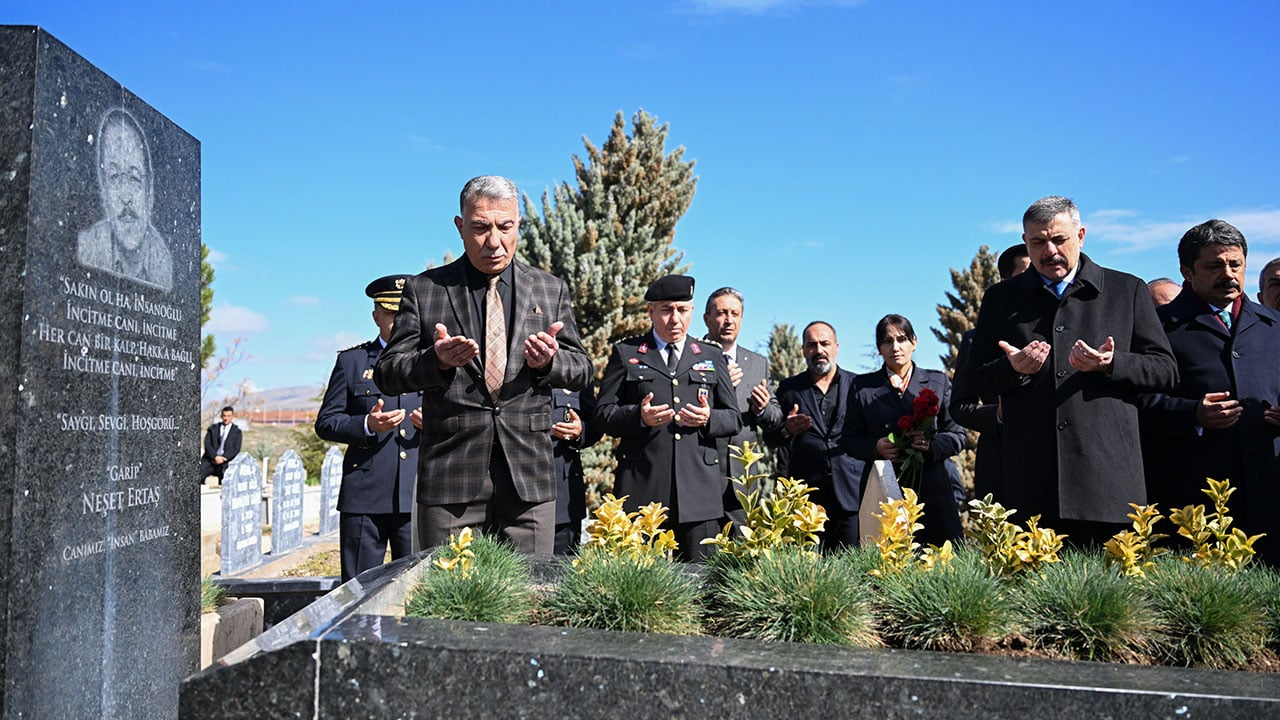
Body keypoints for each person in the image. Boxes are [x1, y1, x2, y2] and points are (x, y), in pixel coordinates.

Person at [374, 176, 592, 556]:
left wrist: (550, 363)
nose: (494, 241)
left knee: (530, 600)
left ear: (518, 224)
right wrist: (435, 361)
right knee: (447, 603)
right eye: (480, 228)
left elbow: (582, 369)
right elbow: (388, 373)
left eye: (505, 227)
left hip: (529, 477)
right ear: (460, 227)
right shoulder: (426, 290)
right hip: (450, 478)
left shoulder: (549, 289)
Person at [967, 196, 1177, 545]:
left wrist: (1112, 364)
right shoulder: (1001, 299)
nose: (1049, 251)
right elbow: (976, 378)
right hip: (1032, 485)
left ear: (1080, 235)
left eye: (1059, 239)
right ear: (1025, 243)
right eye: (1038, 242)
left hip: (1107, 483)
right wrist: (1013, 368)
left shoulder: (1127, 290)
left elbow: (1166, 371)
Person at [1141, 220, 1280, 564]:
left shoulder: (1273, 326)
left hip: (1271, 497)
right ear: (1187, 271)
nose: (1228, 274)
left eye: (1236, 264)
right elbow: (1134, 402)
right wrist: (1193, 414)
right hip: (1194, 500)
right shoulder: (1157, 328)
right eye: (1214, 266)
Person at [596, 275, 742, 561]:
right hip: (643, 491)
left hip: (699, 496)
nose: (675, 318)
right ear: (651, 312)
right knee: (643, 587)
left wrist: (708, 418)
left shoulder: (711, 355)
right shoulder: (627, 353)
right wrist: (638, 416)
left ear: (691, 312)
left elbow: (734, 418)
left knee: (701, 586)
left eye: (682, 310)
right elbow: (602, 415)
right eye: (666, 309)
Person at [315, 275, 423, 582]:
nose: (401, 321)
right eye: (393, 313)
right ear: (376, 316)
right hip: (365, 497)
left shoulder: (434, 363)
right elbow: (326, 422)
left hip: (418, 495)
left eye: (408, 314)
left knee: (417, 590)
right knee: (358, 590)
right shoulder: (352, 362)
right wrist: (366, 424)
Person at [846, 315, 965, 546]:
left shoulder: (936, 381)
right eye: (887, 341)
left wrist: (932, 445)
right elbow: (848, 439)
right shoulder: (862, 387)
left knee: (941, 561)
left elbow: (957, 435)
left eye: (902, 339)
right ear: (879, 348)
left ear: (915, 342)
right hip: (885, 487)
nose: (895, 347)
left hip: (933, 489)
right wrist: (875, 447)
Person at [766, 321, 863, 548]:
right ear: (803, 350)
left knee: (852, 569)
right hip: (806, 499)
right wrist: (787, 429)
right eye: (812, 345)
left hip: (850, 496)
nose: (819, 350)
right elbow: (771, 438)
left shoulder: (859, 386)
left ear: (836, 347)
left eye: (825, 343)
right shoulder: (789, 389)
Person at [949, 244, 1029, 503]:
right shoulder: (978, 340)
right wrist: (997, 414)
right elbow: (960, 405)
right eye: (1028, 274)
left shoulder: (1066, 332)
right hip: (1003, 462)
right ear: (1006, 282)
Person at [701, 287, 784, 515]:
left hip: (743, 479)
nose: (728, 320)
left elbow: (776, 417)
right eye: (721, 313)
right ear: (707, 318)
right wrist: (719, 387)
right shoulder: (692, 355)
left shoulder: (757, 363)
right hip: (702, 474)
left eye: (735, 314)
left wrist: (762, 410)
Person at [77, 108, 173, 291]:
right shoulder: (88, 248)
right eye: (114, 177)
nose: (126, 196)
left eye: (134, 178)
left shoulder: (163, 261)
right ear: (103, 190)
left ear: (149, 190)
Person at [551, 386, 603, 555]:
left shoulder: (575, 366)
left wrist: (581, 431)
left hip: (563, 498)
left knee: (561, 574)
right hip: (513, 498)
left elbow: (595, 424)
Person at [200, 406, 242, 484]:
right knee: (198, 472)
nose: (226, 418)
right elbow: (207, 444)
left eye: (228, 416)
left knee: (227, 480)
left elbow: (236, 449)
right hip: (211, 460)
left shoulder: (237, 432)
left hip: (226, 462)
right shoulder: (213, 429)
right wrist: (215, 457)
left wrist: (223, 458)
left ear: (232, 416)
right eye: (224, 416)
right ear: (221, 416)